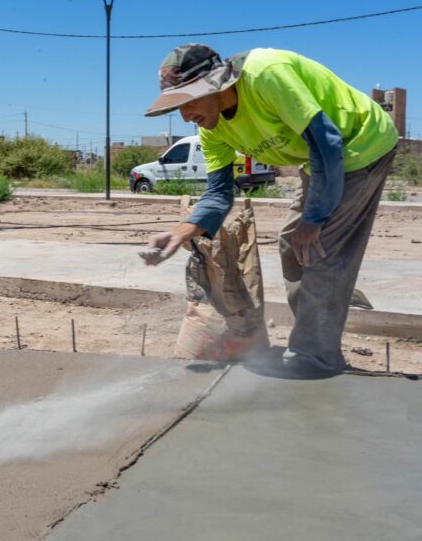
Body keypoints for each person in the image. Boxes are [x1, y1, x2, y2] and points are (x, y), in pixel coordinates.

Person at [143, 45, 398, 376]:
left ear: (217, 84)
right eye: (178, 106)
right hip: (321, 157)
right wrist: (183, 232)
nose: (185, 115)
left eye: (189, 101)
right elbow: (219, 194)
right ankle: (315, 340)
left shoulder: (265, 74)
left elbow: (327, 141)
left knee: (320, 249)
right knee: (293, 243)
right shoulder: (213, 128)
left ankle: (315, 357)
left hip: (361, 143)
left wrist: (315, 217)